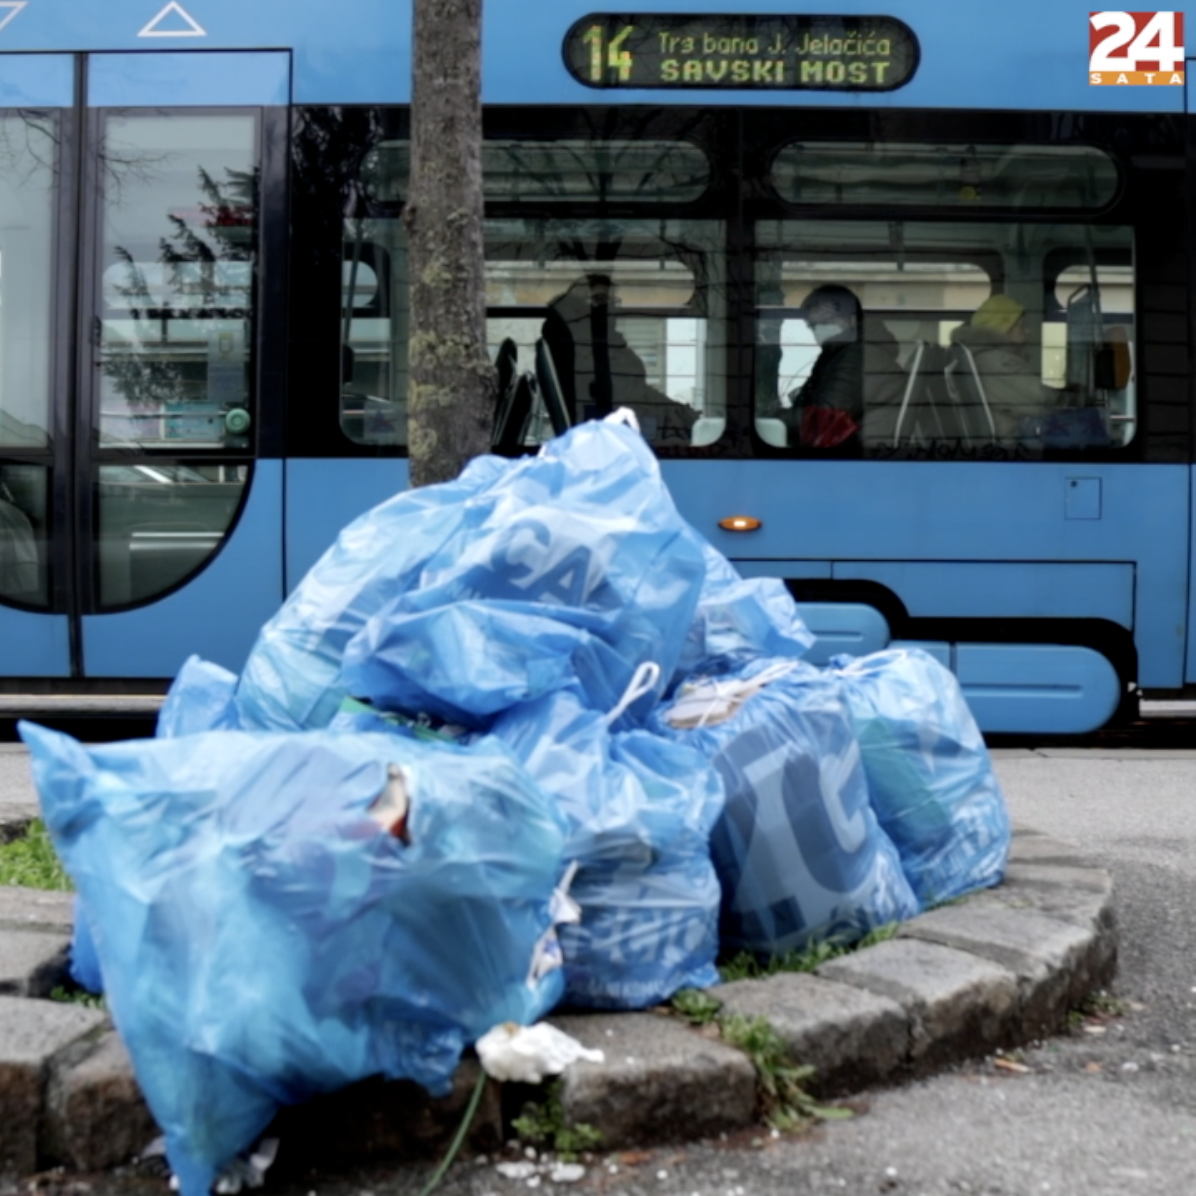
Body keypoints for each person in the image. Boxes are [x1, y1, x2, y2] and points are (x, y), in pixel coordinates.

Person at [542, 273, 698, 442]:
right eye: (601, 300)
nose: (611, 307)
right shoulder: (585, 346)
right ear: (582, 305)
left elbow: (637, 389)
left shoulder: (605, 341)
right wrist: (672, 413)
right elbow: (625, 394)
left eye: (613, 301)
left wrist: (677, 411)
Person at [782, 284, 904, 449]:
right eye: (813, 325)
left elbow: (825, 420)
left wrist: (778, 418)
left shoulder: (857, 356)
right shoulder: (837, 353)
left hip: (853, 454)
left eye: (827, 321)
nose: (819, 329)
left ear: (852, 320)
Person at [948, 294, 1055, 440]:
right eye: (1021, 326)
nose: (1028, 331)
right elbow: (1041, 401)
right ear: (1003, 328)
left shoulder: (988, 357)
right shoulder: (995, 362)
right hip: (1012, 445)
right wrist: (1076, 399)